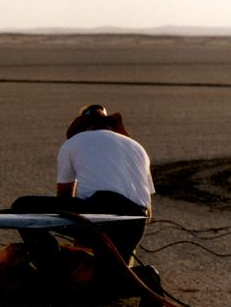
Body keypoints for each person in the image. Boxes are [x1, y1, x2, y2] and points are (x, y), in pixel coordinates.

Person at [11, 103, 154, 287]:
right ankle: (148, 276)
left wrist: (82, 234)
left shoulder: (74, 143)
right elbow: (149, 206)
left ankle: (52, 275)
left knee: (24, 206)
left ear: (82, 126)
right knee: (108, 283)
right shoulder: (137, 146)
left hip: (101, 213)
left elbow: (64, 199)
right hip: (136, 221)